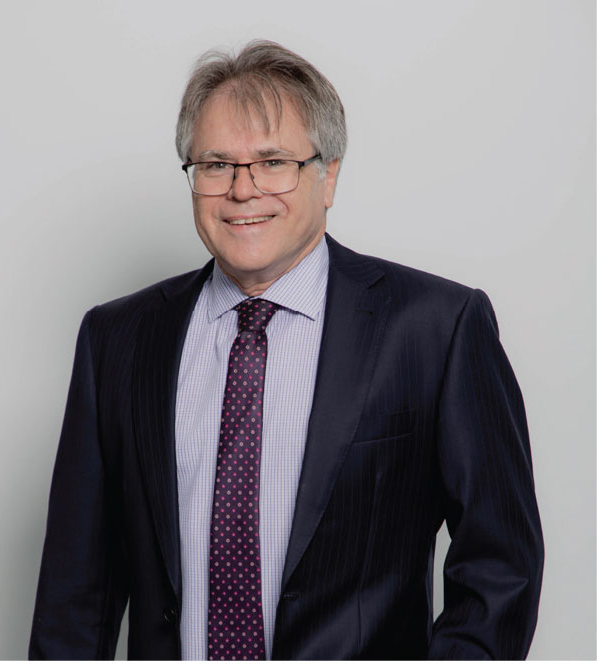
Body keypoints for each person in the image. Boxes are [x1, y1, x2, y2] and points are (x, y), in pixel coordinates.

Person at [29, 40, 544, 660]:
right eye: (216, 164)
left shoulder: (436, 327)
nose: (243, 190)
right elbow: (73, 594)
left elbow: (500, 567)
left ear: (327, 176)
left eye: (273, 161)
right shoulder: (117, 339)